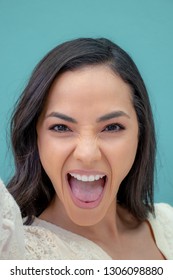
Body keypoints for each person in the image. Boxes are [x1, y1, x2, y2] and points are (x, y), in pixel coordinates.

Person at [0, 38, 173, 260]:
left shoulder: (167, 221)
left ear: (140, 133)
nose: (87, 154)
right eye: (61, 127)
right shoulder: (17, 252)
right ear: (35, 137)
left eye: (112, 127)